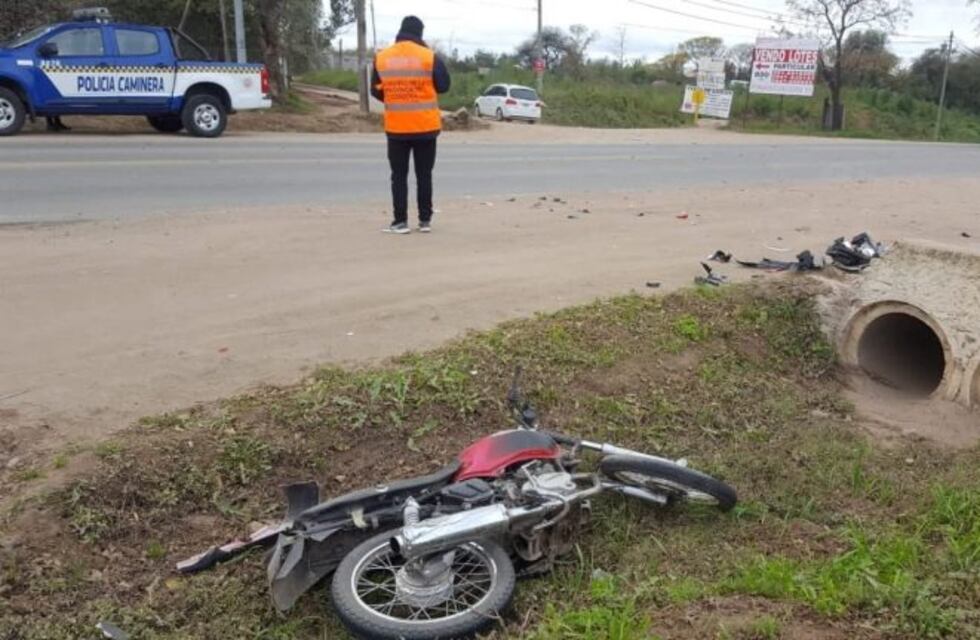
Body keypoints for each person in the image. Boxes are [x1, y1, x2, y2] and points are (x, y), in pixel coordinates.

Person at [371, 16, 451, 234]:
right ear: (420, 34)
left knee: (399, 176)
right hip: (425, 127)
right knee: (424, 175)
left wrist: (396, 98)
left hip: (397, 128)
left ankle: (400, 222)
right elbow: (444, 86)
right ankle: (425, 221)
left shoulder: (382, 57)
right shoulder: (429, 57)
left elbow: (375, 91)